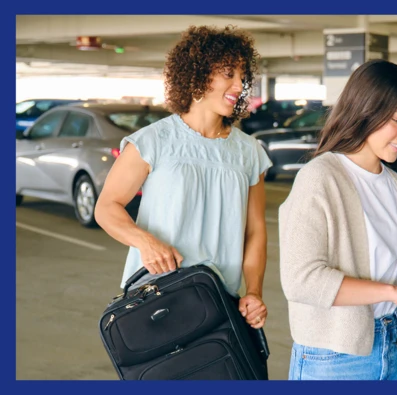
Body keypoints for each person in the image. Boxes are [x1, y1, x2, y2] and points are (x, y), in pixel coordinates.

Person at [94, 25, 272, 331]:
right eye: (228, 73)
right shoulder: (152, 141)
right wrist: (144, 242)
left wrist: (254, 291)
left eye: (242, 76)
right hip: (154, 302)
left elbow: (255, 232)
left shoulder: (249, 151)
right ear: (198, 74)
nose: (239, 84)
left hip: (219, 305)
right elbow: (106, 207)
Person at [279, 59, 397, 380]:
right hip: (334, 355)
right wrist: (393, 292)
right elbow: (301, 281)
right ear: (365, 111)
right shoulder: (320, 178)